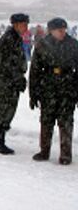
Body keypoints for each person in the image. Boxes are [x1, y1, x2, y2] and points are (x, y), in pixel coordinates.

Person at [29, 17, 78, 165]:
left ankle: (66, 154)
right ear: (51, 31)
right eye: (59, 30)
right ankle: (44, 151)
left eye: (64, 29)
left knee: (66, 123)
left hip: (67, 87)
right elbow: (35, 71)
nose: (62, 32)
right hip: (48, 87)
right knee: (46, 121)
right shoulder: (42, 45)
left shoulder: (73, 45)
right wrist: (33, 93)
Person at [0, 13, 29, 155]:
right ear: (16, 24)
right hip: (7, 83)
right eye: (24, 24)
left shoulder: (15, 38)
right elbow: (5, 65)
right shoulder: (9, 39)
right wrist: (17, 78)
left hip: (9, 82)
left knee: (5, 112)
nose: (26, 27)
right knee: (5, 112)